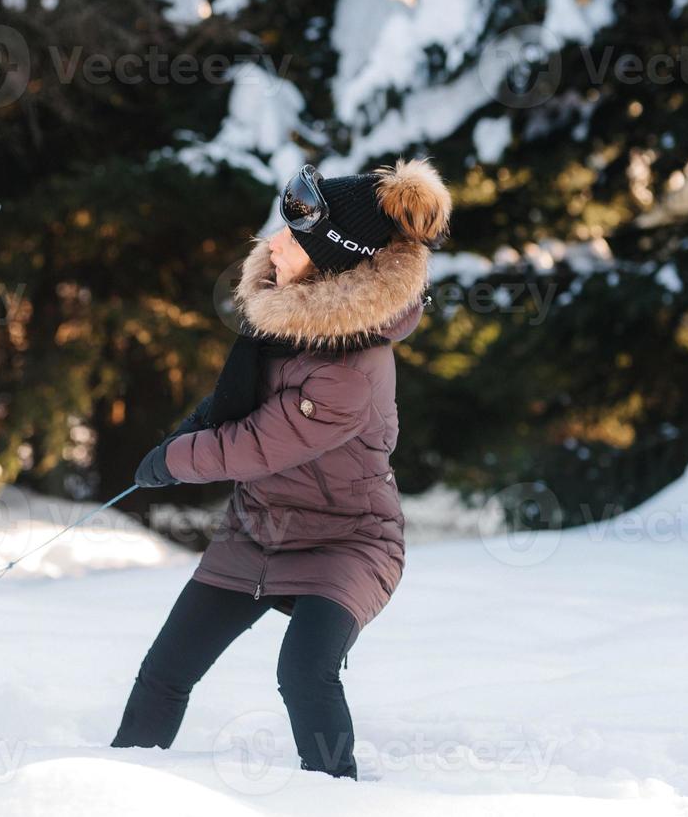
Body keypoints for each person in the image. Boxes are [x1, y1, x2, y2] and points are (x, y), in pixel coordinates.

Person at [112, 157, 451, 779]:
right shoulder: (287, 323)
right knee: (166, 671)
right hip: (258, 530)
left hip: (347, 541)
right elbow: (235, 401)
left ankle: (333, 796)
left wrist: (172, 460)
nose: (273, 242)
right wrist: (194, 425)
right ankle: (116, 790)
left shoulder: (351, 368)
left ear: (334, 261)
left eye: (293, 238)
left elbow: (257, 443)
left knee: (302, 673)